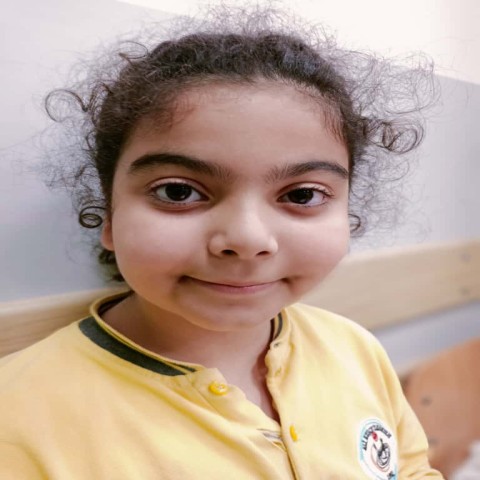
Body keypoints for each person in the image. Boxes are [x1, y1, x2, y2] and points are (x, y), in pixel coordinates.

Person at [0, 4, 443, 479]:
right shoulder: (18, 415)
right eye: (178, 192)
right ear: (109, 215)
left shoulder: (353, 347)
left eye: (302, 195)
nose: (248, 240)